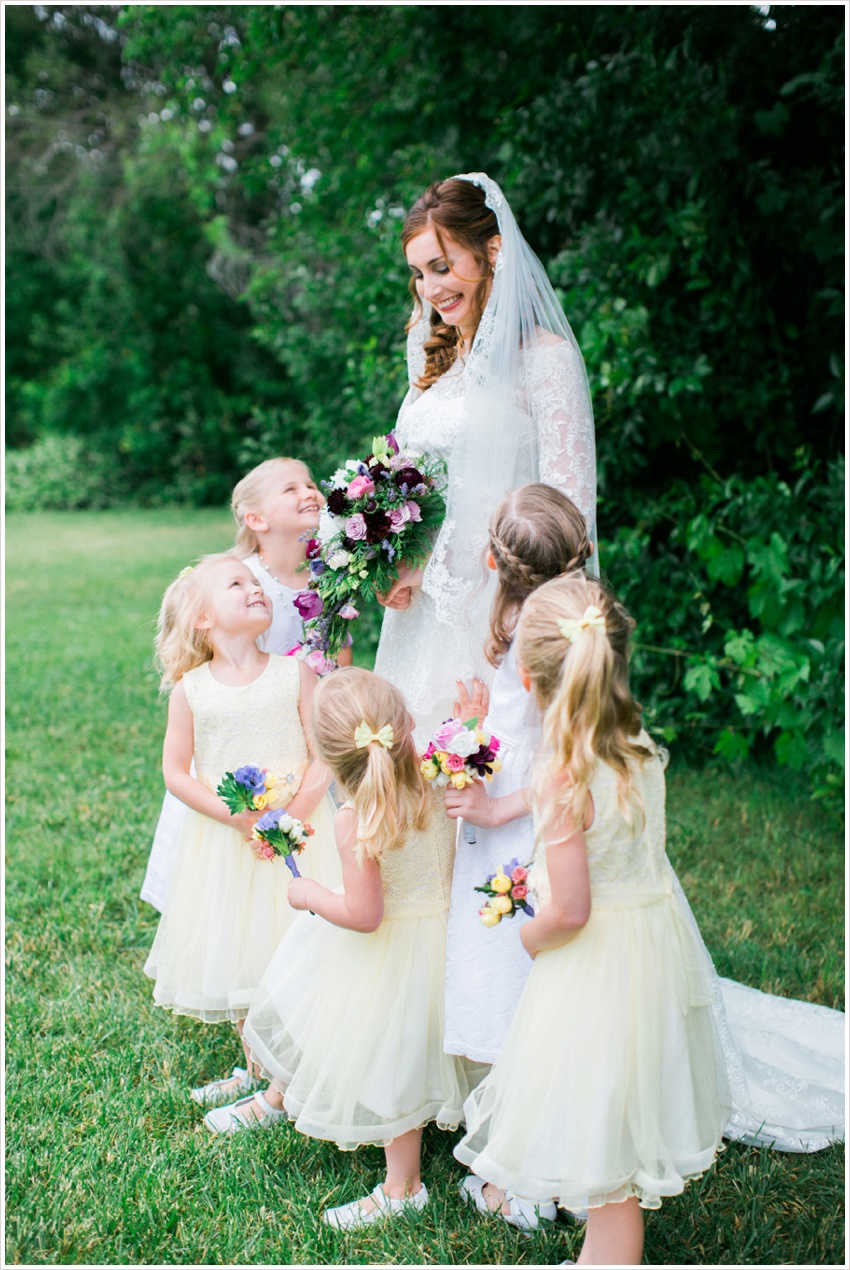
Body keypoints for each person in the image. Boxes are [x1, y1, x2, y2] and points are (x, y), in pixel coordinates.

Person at [454, 573, 731, 1266]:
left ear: (527, 673)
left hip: (594, 961)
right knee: (614, 1108)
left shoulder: (558, 776)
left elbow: (571, 909)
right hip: (646, 949)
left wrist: (529, 932)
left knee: (602, 1136)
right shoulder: (635, 744)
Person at [217, 668, 470, 1229]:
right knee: (406, 1045)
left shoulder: (357, 818)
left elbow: (364, 914)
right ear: (404, 726)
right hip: (448, 939)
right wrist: (469, 723)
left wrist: (309, 894)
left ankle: (403, 1186)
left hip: (390, 953)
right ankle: (280, 1098)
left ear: (331, 758)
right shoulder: (436, 773)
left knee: (390, 1059)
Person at [373, 172, 597, 746]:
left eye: (442, 268)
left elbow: (570, 512)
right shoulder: (434, 370)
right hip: (418, 616)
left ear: (492, 251)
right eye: (419, 274)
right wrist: (387, 559)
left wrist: (438, 568)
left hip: (501, 610)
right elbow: (415, 491)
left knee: (484, 772)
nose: (429, 289)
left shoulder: (545, 362)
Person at [143, 554, 339, 1107]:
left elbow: (324, 752)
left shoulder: (293, 672)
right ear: (203, 620)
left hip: (302, 833)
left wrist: (295, 811)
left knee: (298, 941)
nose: (255, 588)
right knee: (242, 945)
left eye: (256, 583)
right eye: (237, 583)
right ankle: (258, 1063)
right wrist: (239, 817)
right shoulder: (192, 691)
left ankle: (294, 1074)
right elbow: (175, 773)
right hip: (232, 842)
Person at [140, 455, 349, 913]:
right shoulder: (235, 580)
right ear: (255, 519)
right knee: (225, 889)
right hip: (237, 745)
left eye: (310, 484)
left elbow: (339, 659)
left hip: (298, 734)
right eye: (290, 489)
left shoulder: (331, 574)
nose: (309, 493)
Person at [443, 484, 591, 1078]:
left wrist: (497, 811)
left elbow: (570, 760)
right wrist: (479, 725)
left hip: (530, 814)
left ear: (493, 562)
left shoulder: (547, 637)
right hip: (520, 795)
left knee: (511, 937)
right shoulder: (558, 613)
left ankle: (521, 1073)